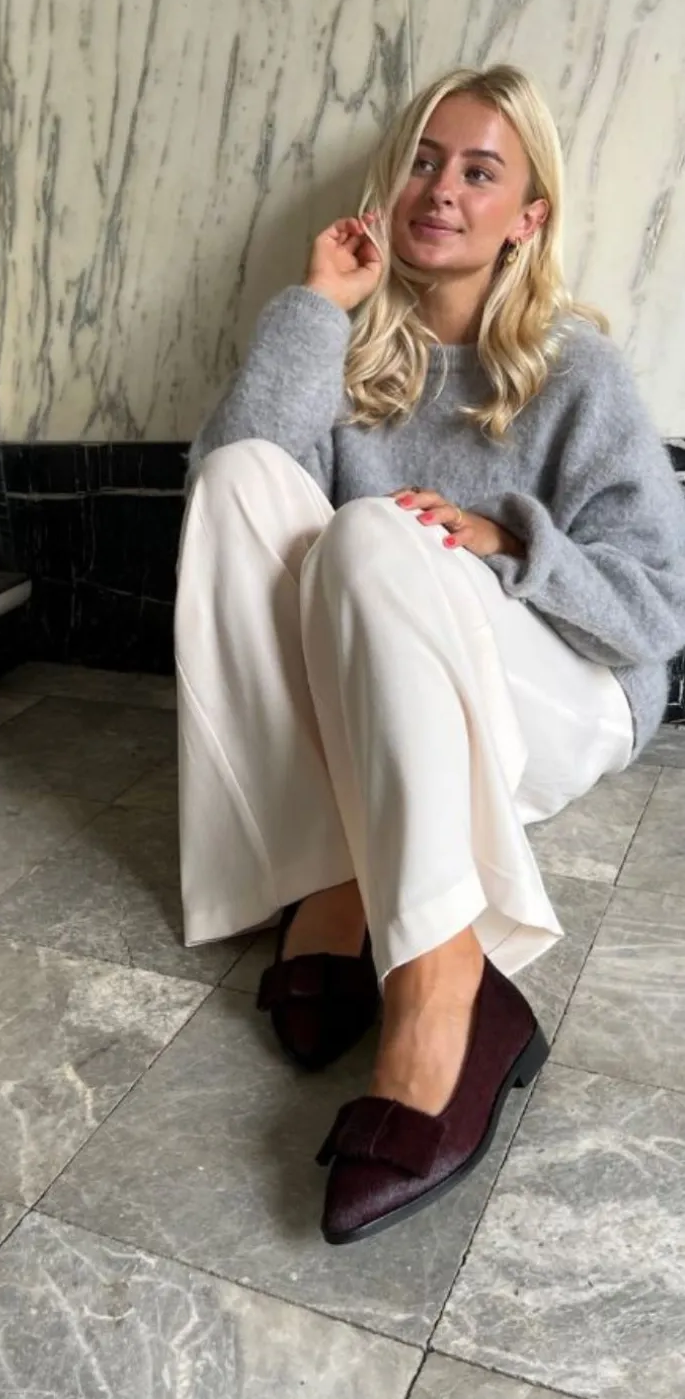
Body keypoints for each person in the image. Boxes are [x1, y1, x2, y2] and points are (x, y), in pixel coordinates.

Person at [175, 65, 685, 1245]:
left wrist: (502, 543)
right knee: (245, 477)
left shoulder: (573, 371)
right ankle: (331, 874)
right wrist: (316, 304)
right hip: (388, 692)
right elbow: (229, 507)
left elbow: (656, 613)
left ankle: (440, 981)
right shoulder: (353, 358)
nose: (440, 188)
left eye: (477, 171)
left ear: (526, 217)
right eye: (421, 160)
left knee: (369, 531)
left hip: (563, 696)